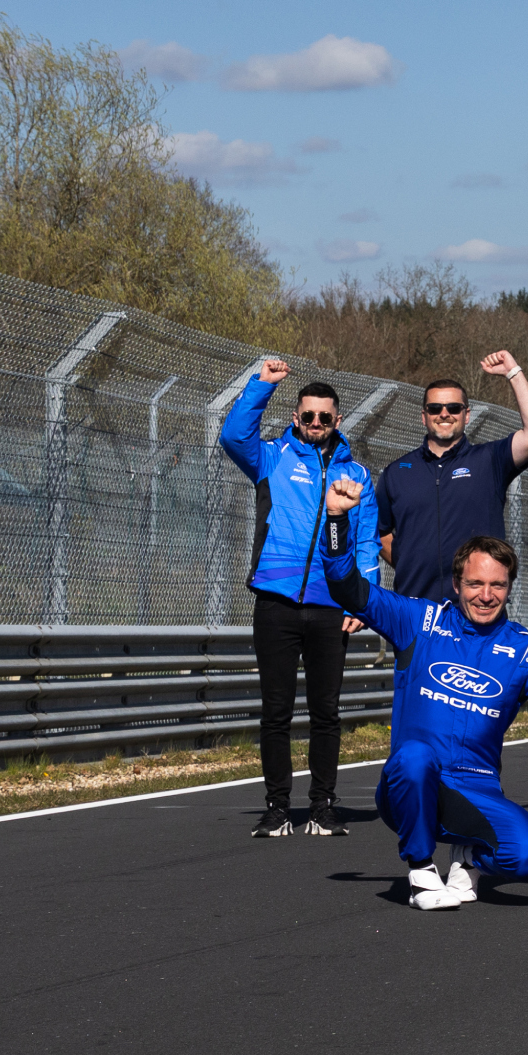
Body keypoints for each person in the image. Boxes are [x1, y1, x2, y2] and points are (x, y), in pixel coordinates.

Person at [318, 476, 528, 910]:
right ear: (456, 584)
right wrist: (336, 518)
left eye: (497, 586)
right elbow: (345, 586)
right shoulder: (417, 620)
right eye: (475, 584)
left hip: (477, 789)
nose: (485, 596)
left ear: (509, 588)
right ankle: (422, 871)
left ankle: (465, 852)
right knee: (414, 756)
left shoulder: (525, 650)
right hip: (409, 783)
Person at [217, 357, 379, 840]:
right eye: (306, 416)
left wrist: (359, 603)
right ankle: (276, 808)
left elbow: (367, 542)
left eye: (323, 417)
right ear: (295, 417)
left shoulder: (358, 476)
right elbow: (231, 437)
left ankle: (324, 806)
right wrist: (259, 386)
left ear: (337, 420)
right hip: (276, 602)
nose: (314, 424)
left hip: (331, 607)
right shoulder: (270, 457)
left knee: (326, 711)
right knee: (276, 710)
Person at [373, 351, 528, 605]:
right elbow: (378, 531)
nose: (444, 413)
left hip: (480, 608)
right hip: (414, 609)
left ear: (466, 415)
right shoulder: (397, 471)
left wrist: (513, 372)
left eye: (453, 408)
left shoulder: (490, 460)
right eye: (435, 408)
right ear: (423, 416)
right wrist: (408, 562)